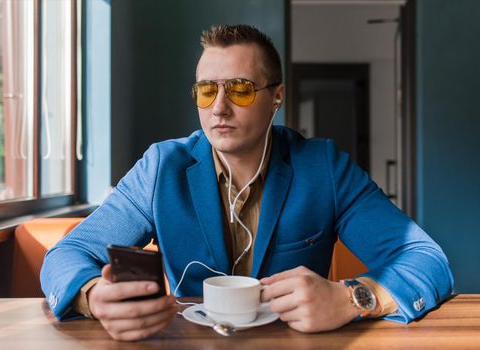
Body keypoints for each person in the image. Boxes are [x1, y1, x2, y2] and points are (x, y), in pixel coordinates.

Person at [40, 24, 453, 341]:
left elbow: (425, 259)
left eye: (239, 89)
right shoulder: (160, 167)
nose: (219, 107)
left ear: (277, 97)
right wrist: (93, 297)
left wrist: (351, 299)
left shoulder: (323, 167)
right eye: (206, 91)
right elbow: (68, 254)